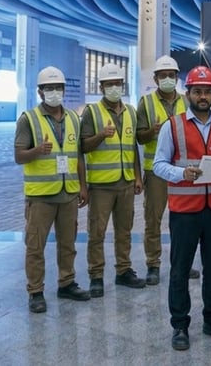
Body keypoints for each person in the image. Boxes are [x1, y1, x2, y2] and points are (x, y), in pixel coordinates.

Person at [153, 65, 211, 350]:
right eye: (198, 91)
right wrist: (181, 173)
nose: (203, 96)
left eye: (208, 91)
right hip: (185, 210)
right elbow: (158, 164)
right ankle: (180, 325)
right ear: (187, 93)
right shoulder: (172, 126)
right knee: (180, 270)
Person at [14, 66, 90, 313]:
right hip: (41, 196)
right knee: (35, 246)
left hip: (68, 193)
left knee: (68, 243)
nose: (54, 92)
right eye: (49, 88)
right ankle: (35, 291)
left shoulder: (73, 119)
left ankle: (66, 283)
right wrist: (37, 151)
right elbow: (18, 156)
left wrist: (83, 186)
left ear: (64, 90)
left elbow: (77, 155)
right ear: (40, 91)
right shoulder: (28, 119)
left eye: (58, 88)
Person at [80, 63, 145, 297]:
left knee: (124, 230)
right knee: (97, 233)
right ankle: (96, 275)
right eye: (109, 84)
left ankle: (123, 270)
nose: (114, 87)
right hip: (101, 185)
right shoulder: (91, 112)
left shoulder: (130, 111)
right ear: (101, 87)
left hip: (126, 182)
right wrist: (100, 135)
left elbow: (132, 147)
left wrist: (138, 177)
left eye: (117, 83)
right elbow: (83, 147)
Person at [135, 55, 189, 286]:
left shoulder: (187, 101)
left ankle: (182, 263)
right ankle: (153, 265)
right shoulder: (146, 103)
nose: (167, 79)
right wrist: (152, 131)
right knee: (153, 219)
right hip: (156, 171)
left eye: (171, 75)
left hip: (182, 171)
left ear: (177, 77)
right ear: (156, 78)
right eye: (163, 75)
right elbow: (139, 136)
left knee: (183, 221)